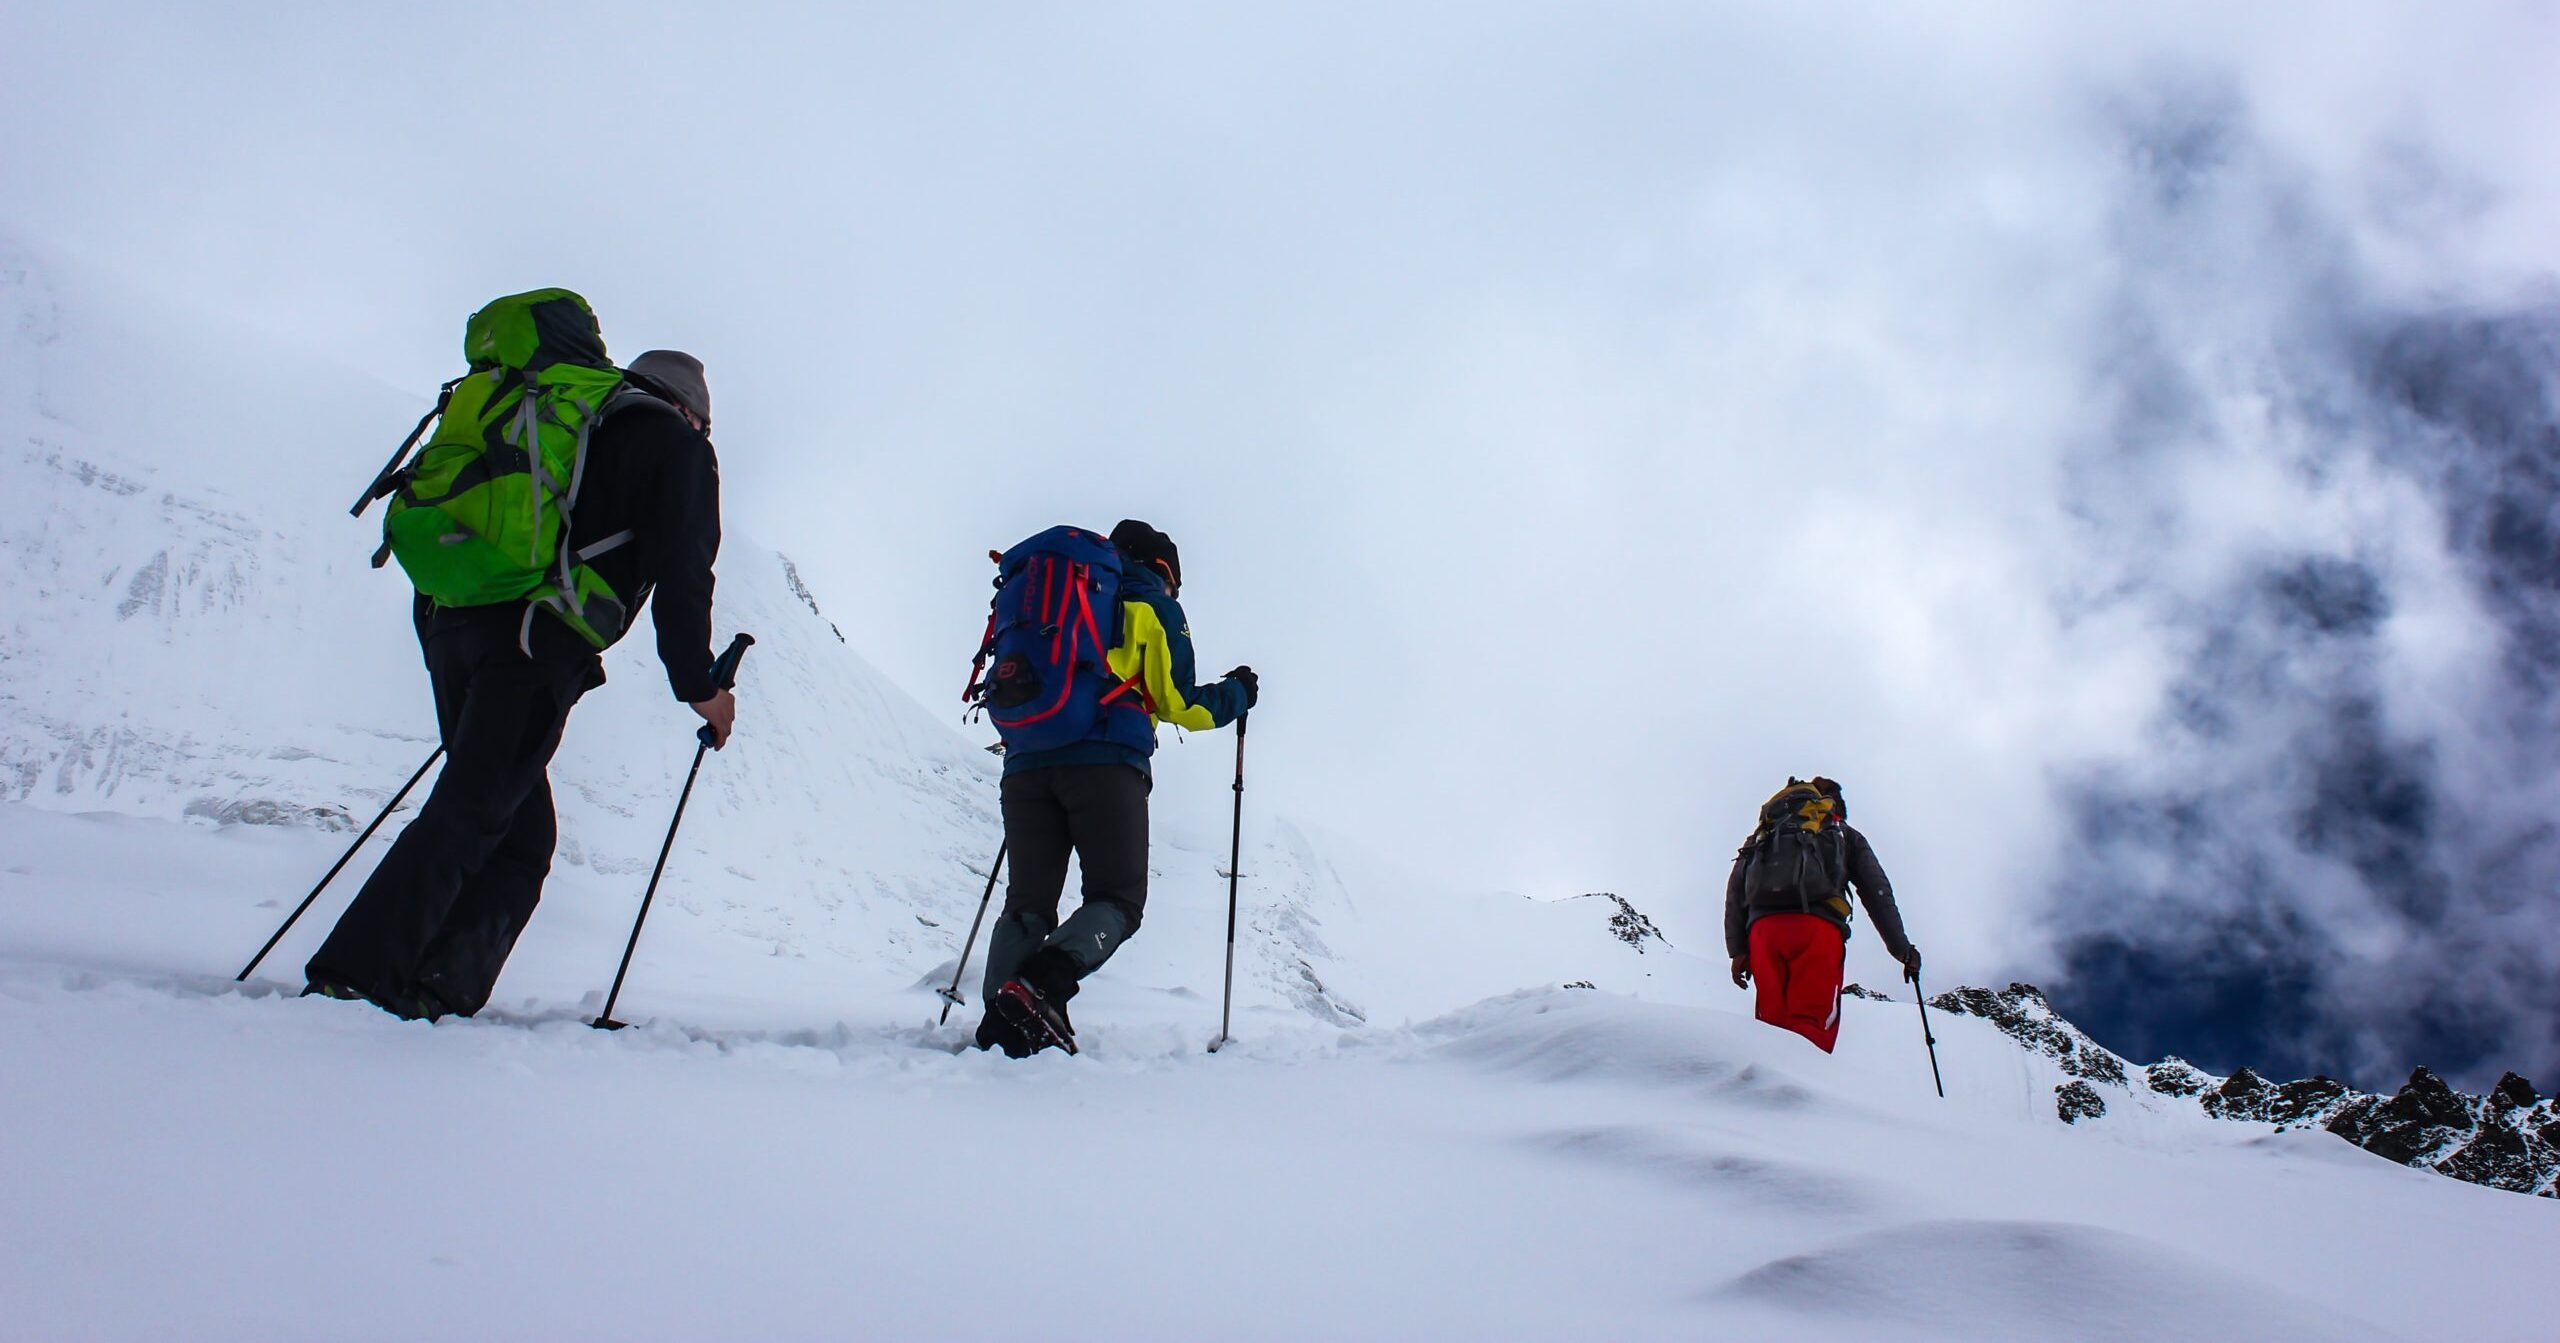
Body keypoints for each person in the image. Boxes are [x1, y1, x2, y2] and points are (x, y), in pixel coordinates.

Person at [304, 349, 730, 1020]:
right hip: (536, 639)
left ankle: (435, 986)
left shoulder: (576, 414)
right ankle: (355, 974)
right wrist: (699, 685)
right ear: (694, 412)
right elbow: (686, 569)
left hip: (452, 620)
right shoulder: (675, 443)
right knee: (473, 811)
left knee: (520, 834)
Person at [976, 519, 1256, 1056]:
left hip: (1025, 761)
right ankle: (1040, 986)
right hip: (1105, 764)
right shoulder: (1150, 603)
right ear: (1163, 570)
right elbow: (1179, 703)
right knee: (1118, 900)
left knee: (1028, 903)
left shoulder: (1056, 592)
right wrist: (1237, 695)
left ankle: (1001, 1022)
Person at [1724, 776, 1918, 1052]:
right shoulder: (1842, 832)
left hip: (1763, 933)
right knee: (1812, 1025)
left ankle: (1763, 1088)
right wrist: (1902, 949)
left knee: (1770, 1024)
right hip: (1817, 929)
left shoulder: (1765, 832)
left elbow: (1736, 889)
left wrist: (1738, 950)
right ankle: (1797, 1092)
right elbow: (1877, 892)